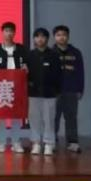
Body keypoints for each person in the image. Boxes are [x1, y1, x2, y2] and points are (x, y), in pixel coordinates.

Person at [0, 22, 30, 153]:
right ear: (2, 33)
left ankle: (16, 142)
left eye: (11, 31)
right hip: (2, 86)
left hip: (18, 86)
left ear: (14, 33)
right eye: (6, 31)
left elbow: (27, 66)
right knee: (1, 116)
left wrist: (26, 68)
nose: (9, 33)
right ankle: (1, 142)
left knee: (16, 116)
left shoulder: (22, 49)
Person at [28, 28, 63, 156]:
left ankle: (48, 143)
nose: (40, 39)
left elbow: (59, 75)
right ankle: (36, 143)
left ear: (47, 39)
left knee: (49, 119)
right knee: (34, 119)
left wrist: (57, 90)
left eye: (43, 37)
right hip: (33, 93)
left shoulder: (54, 55)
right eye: (37, 36)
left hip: (50, 93)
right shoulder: (30, 55)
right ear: (34, 39)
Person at [52, 25, 84, 153]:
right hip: (54, 92)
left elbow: (80, 72)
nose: (62, 37)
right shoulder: (50, 53)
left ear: (68, 36)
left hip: (71, 90)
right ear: (54, 37)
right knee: (53, 117)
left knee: (71, 117)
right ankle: (51, 141)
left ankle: (73, 142)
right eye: (58, 35)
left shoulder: (76, 53)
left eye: (64, 35)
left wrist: (80, 89)